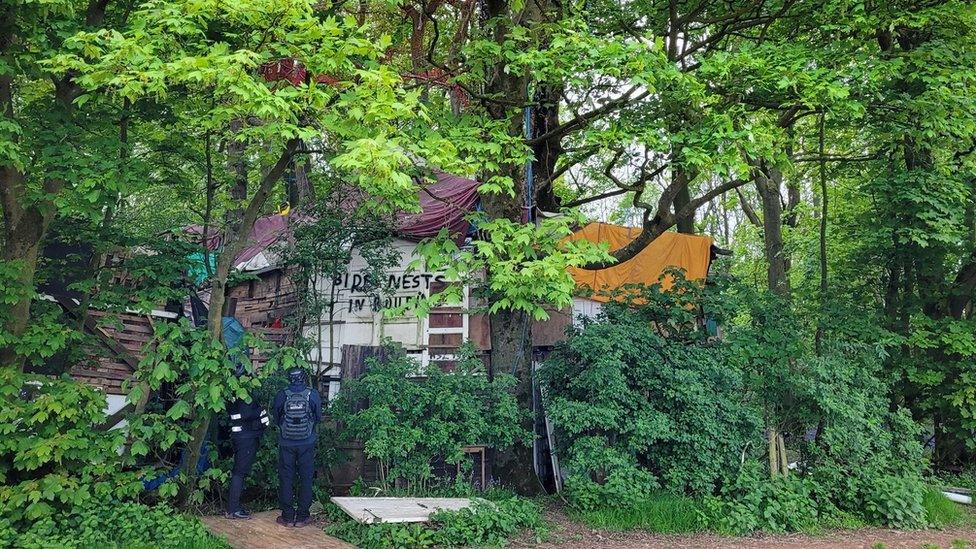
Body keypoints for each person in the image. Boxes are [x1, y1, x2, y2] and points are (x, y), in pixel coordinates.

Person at [272, 367, 322, 527]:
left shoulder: (282, 394)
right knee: (306, 478)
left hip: (286, 443)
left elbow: (276, 417)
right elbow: (319, 417)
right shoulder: (311, 394)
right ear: (303, 378)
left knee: (286, 478)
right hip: (307, 442)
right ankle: (302, 517)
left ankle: (287, 517)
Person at [225, 394, 269, 519]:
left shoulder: (234, 392)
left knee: (239, 472)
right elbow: (246, 414)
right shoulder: (244, 394)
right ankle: (233, 509)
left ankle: (233, 508)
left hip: (241, 436)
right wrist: (260, 410)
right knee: (239, 473)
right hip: (246, 437)